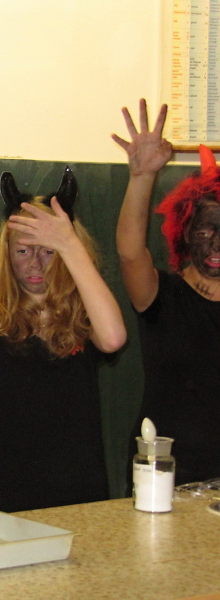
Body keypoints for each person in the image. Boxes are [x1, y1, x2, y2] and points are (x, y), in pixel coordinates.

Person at [0, 168, 127, 512]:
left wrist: (69, 243)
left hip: (79, 485)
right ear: (7, 255)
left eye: (48, 252)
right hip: (9, 486)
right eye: (23, 251)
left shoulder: (85, 311)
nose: (36, 264)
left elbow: (113, 339)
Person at [112, 99, 220, 486]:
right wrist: (142, 177)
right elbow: (130, 252)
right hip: (163, 477)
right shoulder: (162, 295)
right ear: (184, 232)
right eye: (205, 230)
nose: (216, 245)